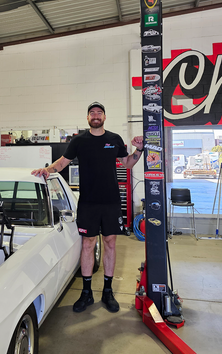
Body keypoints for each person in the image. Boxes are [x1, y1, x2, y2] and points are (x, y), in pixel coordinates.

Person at [32, 101, 143, 313]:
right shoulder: (79, 141)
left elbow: (127, 163)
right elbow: (62, 162)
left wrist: (139, 149)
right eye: (92, 112)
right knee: (88, 244)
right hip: (89, 202)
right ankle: (86, 292)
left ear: (104, 117)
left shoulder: (114, 139)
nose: (95, 115)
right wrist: (47, 169)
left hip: (111, 201)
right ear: (87, 118)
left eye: (99, 112)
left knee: (110, 243)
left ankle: (108, 291)